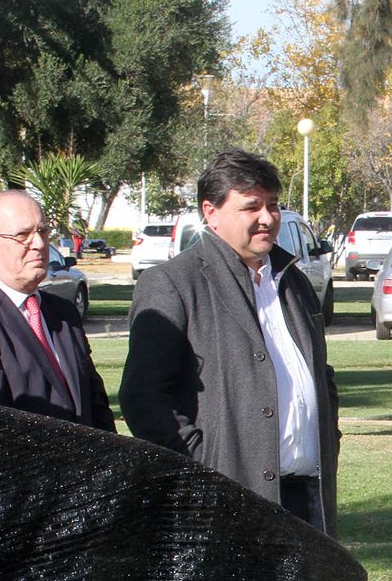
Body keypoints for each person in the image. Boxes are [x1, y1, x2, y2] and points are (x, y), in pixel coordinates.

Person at [120, 149, 340, 535]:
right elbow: (145, 398)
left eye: (273, 205)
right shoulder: (173, 283)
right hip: (225, 502)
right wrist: (202, 465)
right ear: (211, 211)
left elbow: (320, 373)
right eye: (251, 206)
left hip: (307, 499)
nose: (267, 218)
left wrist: (328, 437)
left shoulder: (294, 282)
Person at [0, 190, 115, 430]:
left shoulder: (63, 313)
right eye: (22, 235)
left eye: (42, 232)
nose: (39, 244)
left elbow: (95, 404)